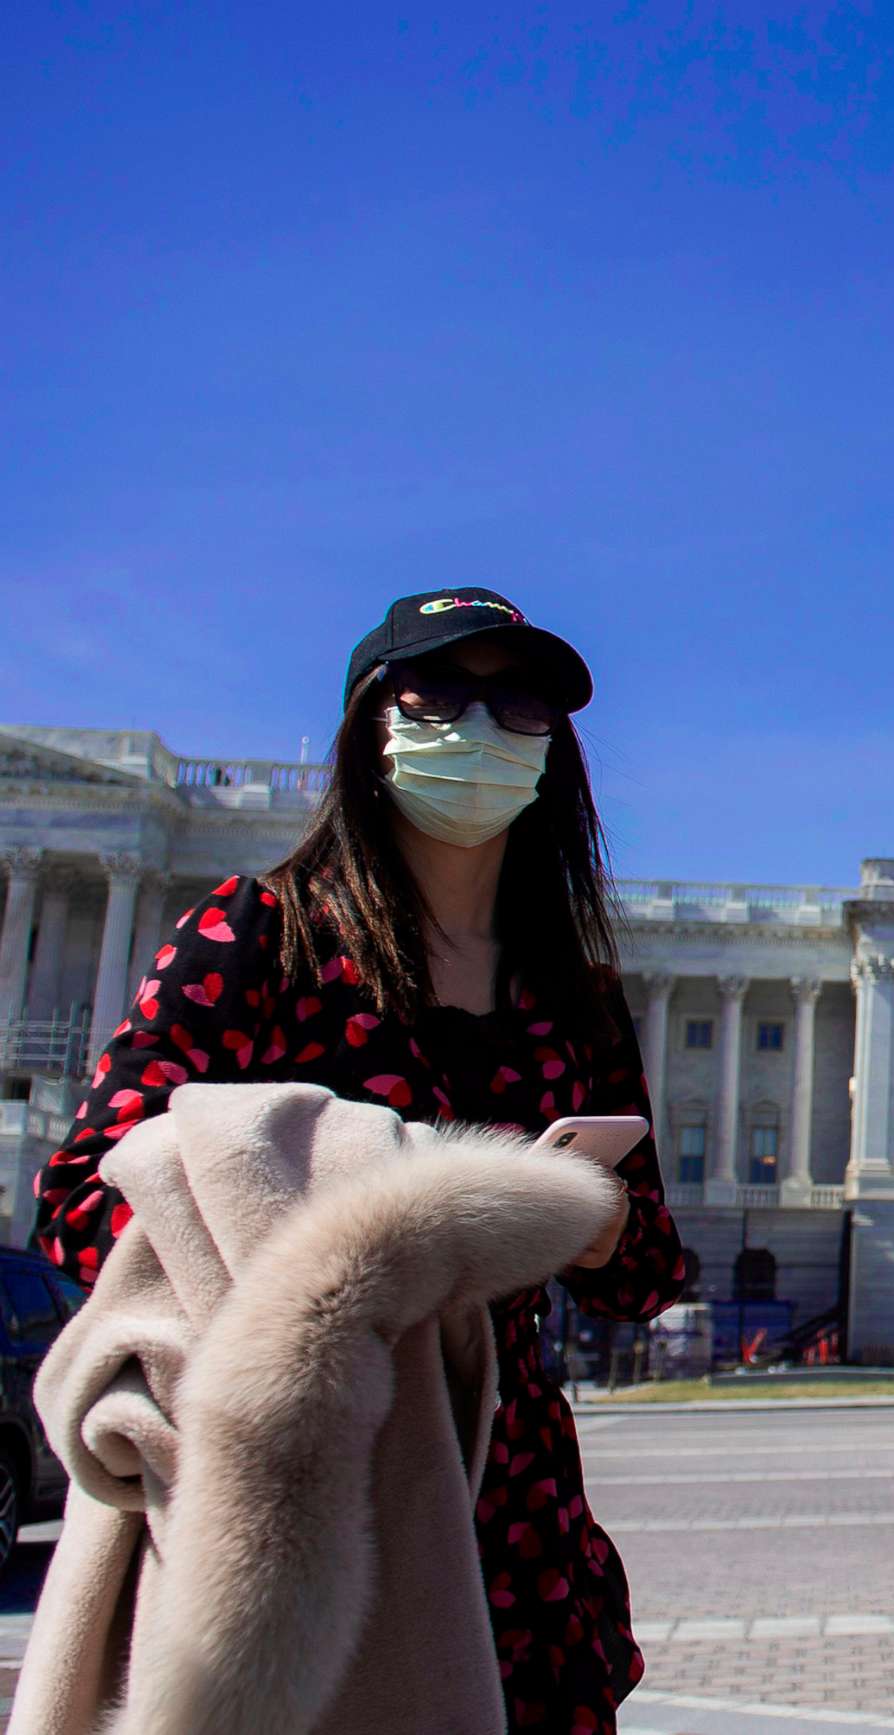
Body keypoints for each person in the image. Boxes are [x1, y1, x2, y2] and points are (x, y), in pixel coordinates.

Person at [33, 586, 689, 1733]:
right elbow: (86, 1191)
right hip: (310, 1470)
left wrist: (595, 1224)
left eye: (518, 699)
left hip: (514, 1487)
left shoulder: (572, 996)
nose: (480, 726)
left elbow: (648, 1276)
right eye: (439, 693)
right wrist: (398, 1202)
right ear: (371, 723)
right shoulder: (257, 937)